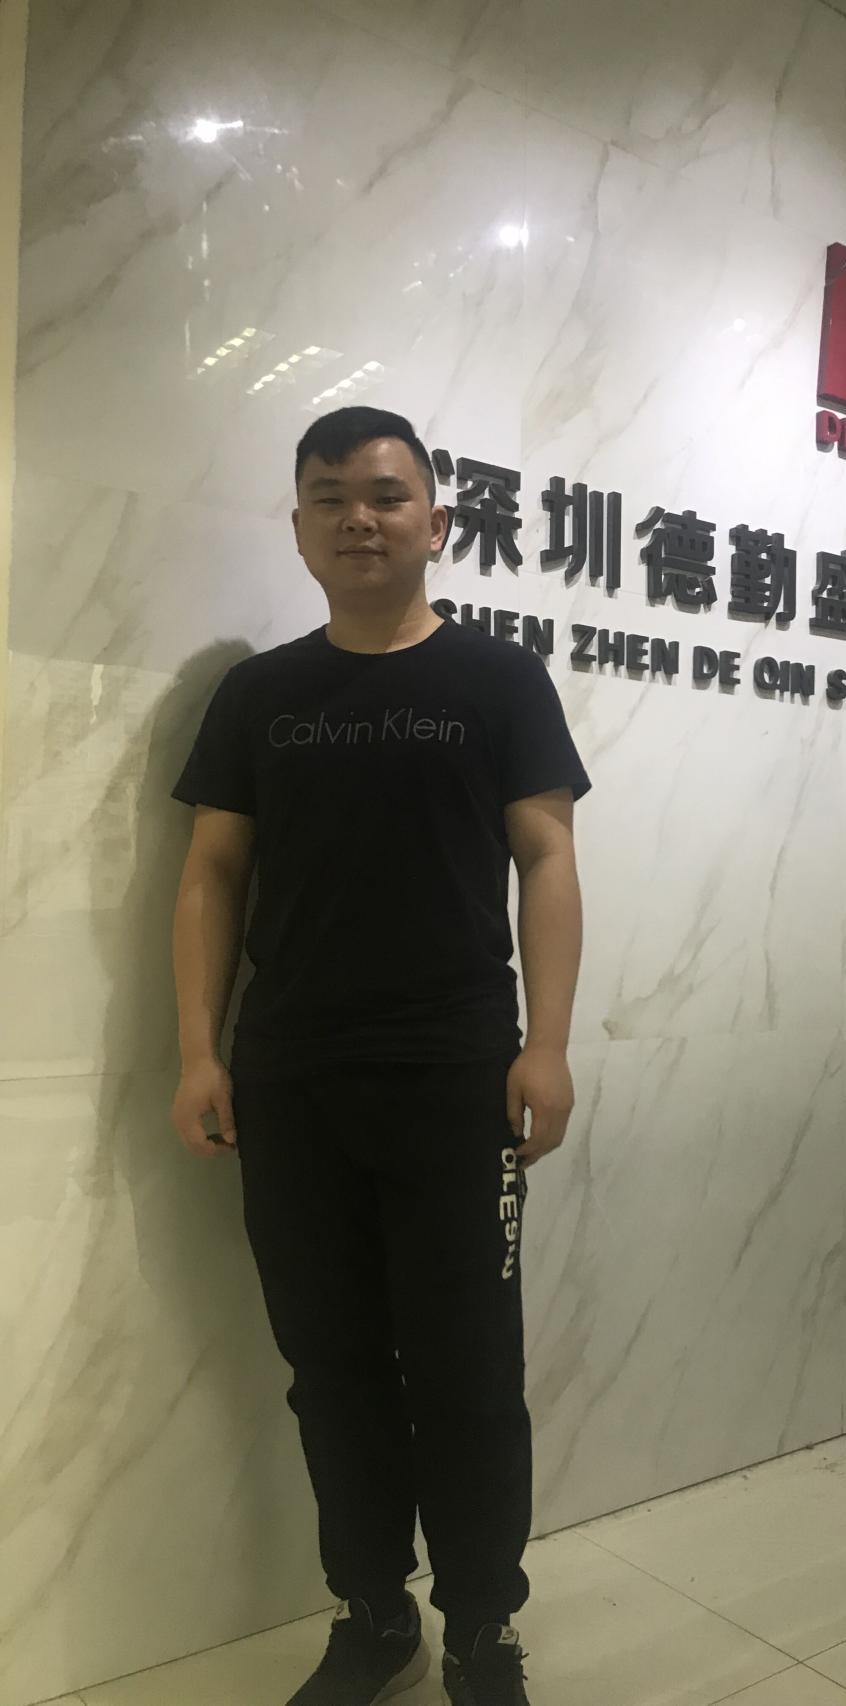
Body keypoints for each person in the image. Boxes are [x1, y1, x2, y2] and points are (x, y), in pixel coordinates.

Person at [169, 405, 589, 1706]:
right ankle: (372, 1611)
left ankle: (482, 1626)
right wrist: (197, 1053)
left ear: (436, 522)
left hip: (456, 1074)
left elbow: (548, 856)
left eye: (387, 495)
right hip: (291, 1077)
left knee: (468, 1369)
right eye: (331, 497)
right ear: (299, 527)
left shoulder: (499, 678)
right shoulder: (259, 695)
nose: (360, 517)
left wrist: (547, 1044)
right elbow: (211, 873)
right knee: (332, 1366)